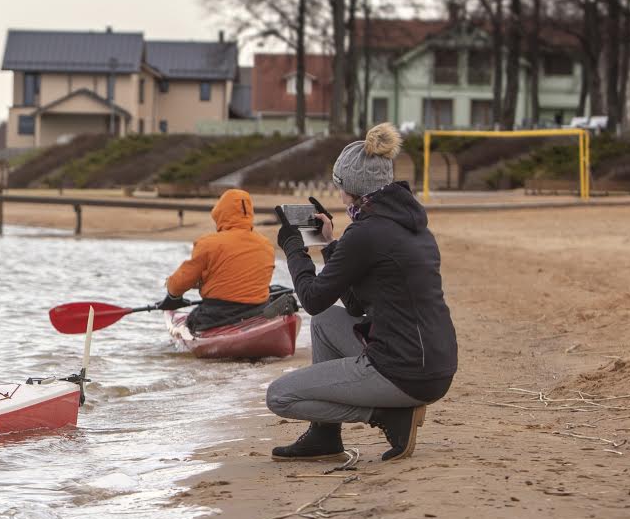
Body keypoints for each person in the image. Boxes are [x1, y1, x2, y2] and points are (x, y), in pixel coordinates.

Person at [266, 123, 458, 461]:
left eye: (338, 186)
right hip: (433, 363)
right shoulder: (408, 225)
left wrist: (294, 248)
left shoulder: (367, 233)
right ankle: (324, 435)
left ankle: (388, 416)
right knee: (326, 320)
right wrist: (327, 244)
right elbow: (354, 303)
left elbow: (310, 298)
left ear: (350, 188)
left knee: (279, 396)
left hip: (405, 371)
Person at [158, 188, 281, 331]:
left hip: (217, 314)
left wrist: (173, 296)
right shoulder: (266, 244)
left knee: (193, 320)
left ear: (220, 214)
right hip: (258, 310)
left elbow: (179, 283)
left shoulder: (208, 243)